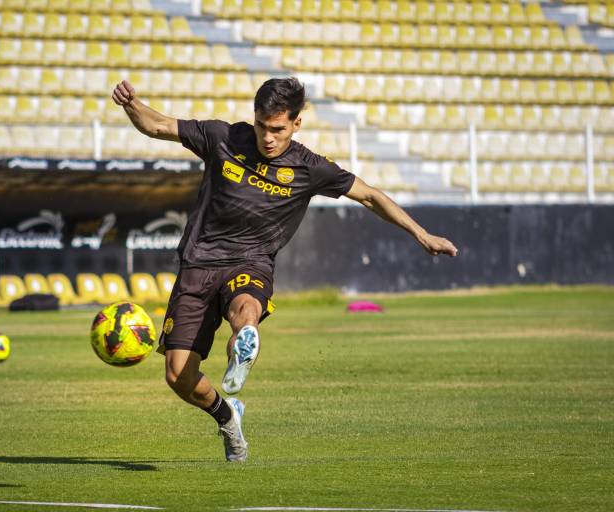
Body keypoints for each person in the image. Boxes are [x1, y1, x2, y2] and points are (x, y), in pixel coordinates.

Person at [111, 77, 458, 462]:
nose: (268, 137)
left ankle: (244, 342)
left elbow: (371, 196)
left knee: (245, 309)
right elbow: (157, 125)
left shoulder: (310, 168)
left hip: (250, 262)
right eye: (261, 126)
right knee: (178, 376)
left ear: (296, 124)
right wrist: (131, 104)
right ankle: (228, 416)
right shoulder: (223, 137)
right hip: (198, 265)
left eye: (277, 129)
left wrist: (421, 234)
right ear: (254, 119)